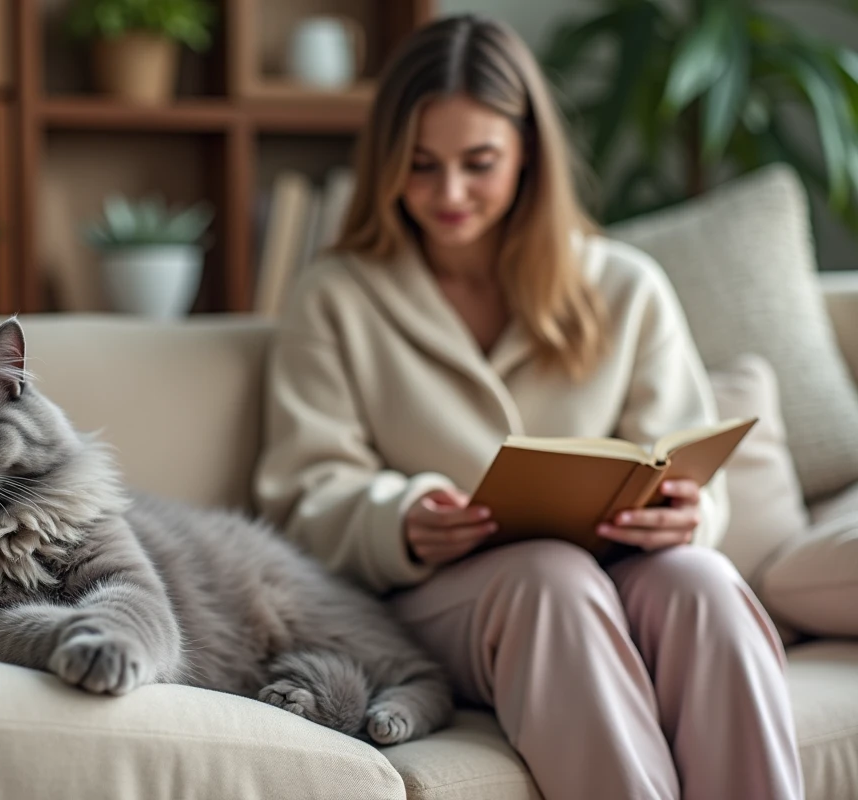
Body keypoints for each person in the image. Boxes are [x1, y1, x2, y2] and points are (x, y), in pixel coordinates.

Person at [253, 13, 803, 800]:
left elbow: (688, 468)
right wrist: (402, 518)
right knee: (549, 576)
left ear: (528, 158)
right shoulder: (335, 297)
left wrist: (686, 513)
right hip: (443, 598)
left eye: (479, 163)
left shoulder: (625, 286)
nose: (449, 193)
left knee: (702, 582)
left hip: (621, 573)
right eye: (421, 165)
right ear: (385, 166)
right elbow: (303, 494)